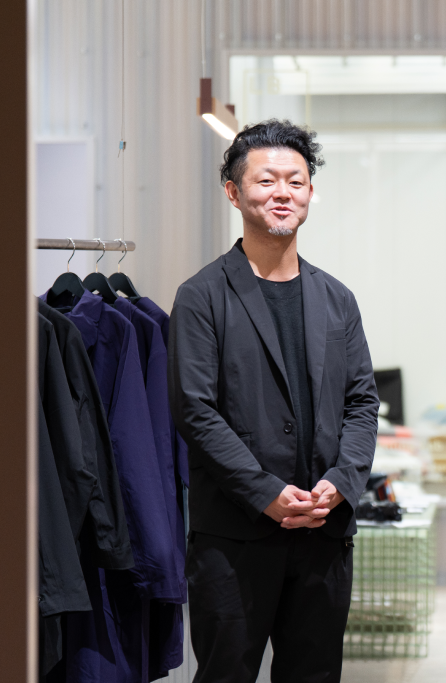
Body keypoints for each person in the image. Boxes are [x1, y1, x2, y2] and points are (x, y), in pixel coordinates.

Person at [168, 119, 379, 683]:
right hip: (235, 534)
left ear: (310, 192)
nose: (282, 192)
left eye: (296, 181)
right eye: (266, 181)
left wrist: (343, 481)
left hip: (324, 530)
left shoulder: (336, 298)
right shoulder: (202, 296)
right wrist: (264, 492)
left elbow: (362, 401)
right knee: (226, 673)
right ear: (234, 192)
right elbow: (194, 410)